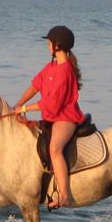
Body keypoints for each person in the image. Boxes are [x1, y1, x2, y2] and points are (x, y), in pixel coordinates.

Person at [12, 25, 84, 209]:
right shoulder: (50, 66)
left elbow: (51, 104)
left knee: (54, 149)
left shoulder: (66, 70)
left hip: (65, 118)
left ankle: (64, 195)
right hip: (51, 116)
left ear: (57, 46)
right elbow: (35, 87)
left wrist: (25, 108)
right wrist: (18, 104)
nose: (47, 45)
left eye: (49, 42)